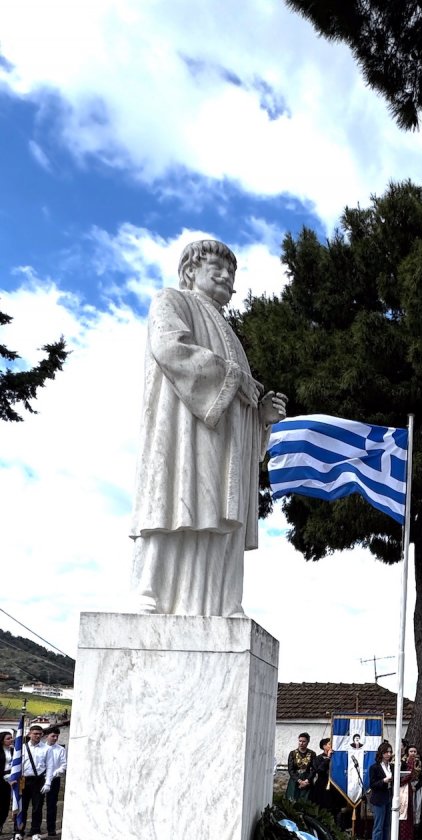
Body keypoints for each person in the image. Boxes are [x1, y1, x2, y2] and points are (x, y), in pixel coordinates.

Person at [130, 237, 287, 616]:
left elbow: (239, 396)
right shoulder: (171, 301)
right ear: (190, 272)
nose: (225, 276)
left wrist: (260, 416)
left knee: (220, 518)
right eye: (215, 269)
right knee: (173, 504)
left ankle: (222, 602)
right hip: (183, 435)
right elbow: (170, 348)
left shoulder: (232, 335)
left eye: (231, 272)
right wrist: (234, 378)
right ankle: (151, 593)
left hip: (224, 448)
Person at [17, 723, 49, 840]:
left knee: (37, 807)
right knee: (22, 807)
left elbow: (49, 766)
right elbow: (17, 764)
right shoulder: (22, 748)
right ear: (30, 734)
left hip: (38, 780)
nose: (37, 736)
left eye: (40, 734)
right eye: (35, 734)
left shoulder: (46, 748)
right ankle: (19, 831)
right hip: (24, 780)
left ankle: (35, 831)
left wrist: (48, 782)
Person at [368, 740, 394, 840]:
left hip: (388, 796)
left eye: (390, 752)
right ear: (381, 753)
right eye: (386, 752)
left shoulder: (392, 766)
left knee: (386, 825)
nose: (388, 754)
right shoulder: (375, 767)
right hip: (379, 798)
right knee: (378, 826)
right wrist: (384, 781)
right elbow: (373, 784)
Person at [41, 726, 67, 839]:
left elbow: (63, 765)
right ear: (47, 736)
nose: (55, 738)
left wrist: (53, 774)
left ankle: (51, 828)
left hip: (54, 779)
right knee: (38, 803)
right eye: (53, 736)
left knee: (52, 804)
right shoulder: (41, 748)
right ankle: (35, 828)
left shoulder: (61, 749)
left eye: (57, 736)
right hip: (40, 779)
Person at [286, 733, 316, 803]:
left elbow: (314, 769)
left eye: (303, 741)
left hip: (307, 779)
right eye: (300, 741)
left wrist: (307, 781)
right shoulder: (292, 753)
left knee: (306, 801)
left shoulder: (312, 754)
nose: (301, 743)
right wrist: (299, 781)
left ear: (308, 742)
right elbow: (290, 769)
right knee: (292, 800)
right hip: (295, 780)